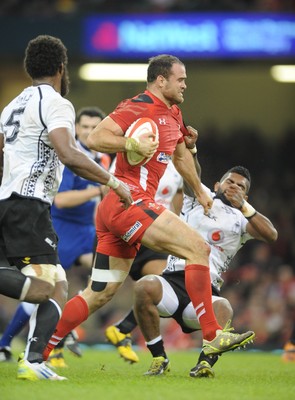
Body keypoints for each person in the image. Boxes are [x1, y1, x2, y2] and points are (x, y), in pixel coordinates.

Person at [43, 54, 254, 365]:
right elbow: (98, 137)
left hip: (116, 209)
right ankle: (212, 335)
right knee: (198, 247)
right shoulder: (138, 105)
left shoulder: (175, 114)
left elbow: (181, 157)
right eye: (180, 79)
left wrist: (199, 191)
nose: (185, 84)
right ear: (161, 80)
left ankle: (39, 352)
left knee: (99, 293)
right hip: (130, 200)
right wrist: (131, 144)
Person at [0, 35, 132, 381]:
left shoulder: (12, 105)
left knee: (57, 283)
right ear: (61, 68)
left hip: (11, 203)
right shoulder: (55, 103)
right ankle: (32, 361)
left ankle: (32, 360)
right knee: (47, 287)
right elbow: (68, 153)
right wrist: (112, 181)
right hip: (27, 207)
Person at [133, 163, 278, 376]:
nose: (234, 187)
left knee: (225, 308)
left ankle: (204, 365)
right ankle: (159, 358)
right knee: (143, 286)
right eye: (230, 181)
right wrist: (190, 149)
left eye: (241, 186)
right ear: (218, 184)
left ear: (245, 197)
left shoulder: (242, 220)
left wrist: (245, 208)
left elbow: (271, 235)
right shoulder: (200, 197)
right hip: (173, 282)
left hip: (205, 290)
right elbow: (189, 172)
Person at [0, 106, 111, 366]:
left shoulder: (101, 159)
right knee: (46, 283)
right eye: (83, 127)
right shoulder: (72, 156)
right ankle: (11, 342)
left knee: (102, 276)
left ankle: (62, 327)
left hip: (85, 230)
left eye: (94, 127)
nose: (87, 132)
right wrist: (99, 191)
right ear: (75, 128)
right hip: (61, 227)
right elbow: (60, 200)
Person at [105, 158, 183, 363]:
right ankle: (56, 340)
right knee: (101, 293)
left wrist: (178, 220)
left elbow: (180, 192)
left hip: (157, 232)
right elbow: (109, 187)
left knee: (163, 288)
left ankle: (123, 329)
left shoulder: (177, 166)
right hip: (133, 226)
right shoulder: (134, 154)